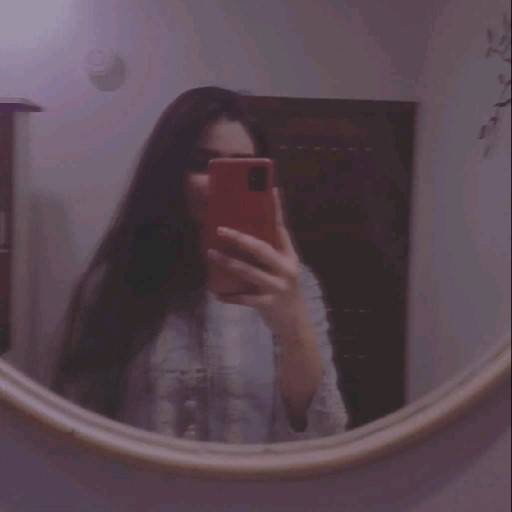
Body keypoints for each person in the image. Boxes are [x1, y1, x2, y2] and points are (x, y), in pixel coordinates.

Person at [50, 86, 349, 443]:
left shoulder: (292, 288)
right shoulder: (113, 281)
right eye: (201, 164)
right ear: (167, 173)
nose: (216, 186)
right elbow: (77, 420)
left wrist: (293, 326)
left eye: (240, 168)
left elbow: (322, 436)